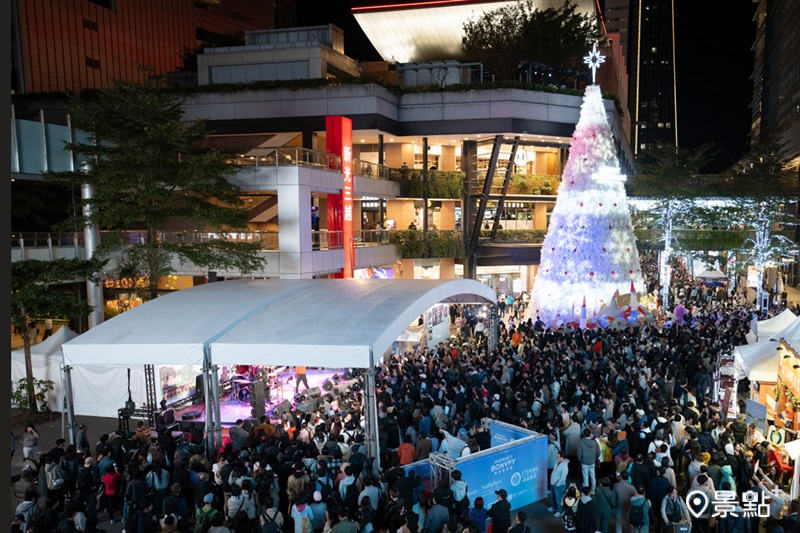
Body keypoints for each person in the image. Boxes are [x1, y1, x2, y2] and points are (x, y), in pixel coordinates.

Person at [577, 428, 601, 493]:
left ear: (584, 435)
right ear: (590, 434)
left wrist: (580, 460)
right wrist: (595, 458)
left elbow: (579, 454)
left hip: (584, 462)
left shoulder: (581, 443)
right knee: (593, 476)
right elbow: (598, 452)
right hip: (592, 462)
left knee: (585, 477)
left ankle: (586, 492)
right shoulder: (595, 442)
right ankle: (593, 490)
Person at [549, 450, 570, 517]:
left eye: (558, 457)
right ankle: (554, 507)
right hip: (553, 483)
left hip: (559, 485)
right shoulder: (557, 462)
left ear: (562, 457)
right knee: (553, 497)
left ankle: (560, 511)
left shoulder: (565, 467)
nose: (557, 458)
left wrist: (557, 484)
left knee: (559, 499)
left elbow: (563, 478)